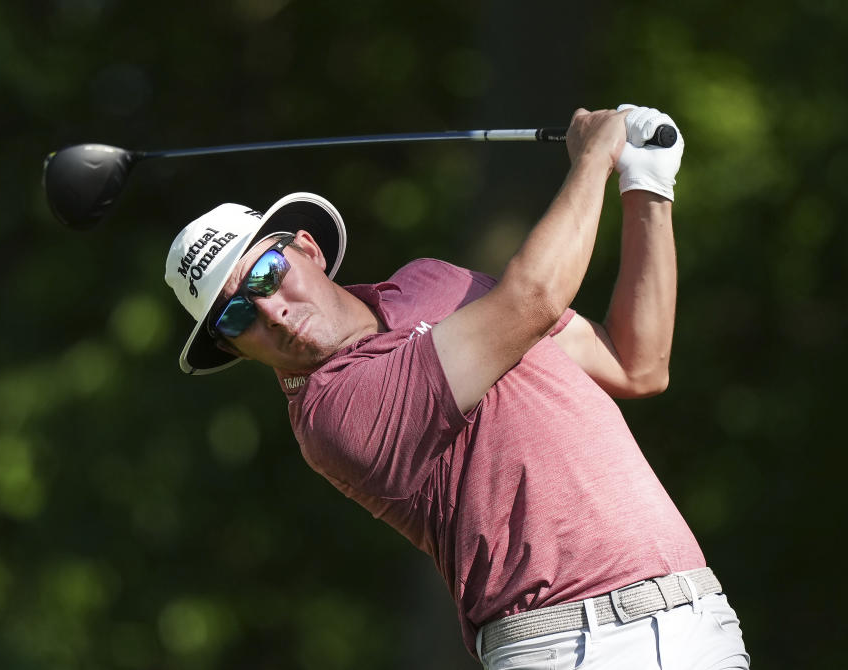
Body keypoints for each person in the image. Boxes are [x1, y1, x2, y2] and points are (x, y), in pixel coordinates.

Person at [163, 106, 750, 669]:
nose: (272, 312)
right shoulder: (332, 415)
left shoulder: (430, 281)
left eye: (267, 274)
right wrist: (593, 158)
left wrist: (646, 184)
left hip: (695, 616)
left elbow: (636, 364)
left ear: (307, 249)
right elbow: (533, 300)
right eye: (235, 316)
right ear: (233, 348)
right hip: (567, 645)